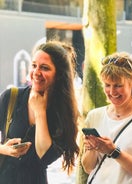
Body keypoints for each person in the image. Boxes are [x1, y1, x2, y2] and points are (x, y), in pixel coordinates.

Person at [0, 40, 80, 184]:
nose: (36, 73)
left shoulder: (64, 113)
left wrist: (40, 112)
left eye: (44, 68)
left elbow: (45, 156)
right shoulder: (10, 97)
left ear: (59, 75)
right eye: (34, 66)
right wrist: (4, 149)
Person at [81, 52, 132, 184]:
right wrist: (93, 148)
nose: (112, 92)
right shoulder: (94, 116)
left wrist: (114, 152)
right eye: (107, 85)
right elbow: (88, 167)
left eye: (118, 85)